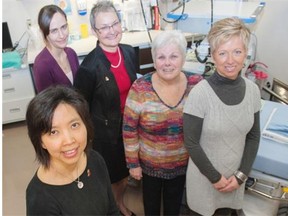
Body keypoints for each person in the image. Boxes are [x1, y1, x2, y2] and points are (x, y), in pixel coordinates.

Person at [183, 17, 261, 216]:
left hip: (235, 181)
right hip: (205, 182)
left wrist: (240, 176)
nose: (230, 60)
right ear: (213, 55)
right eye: (222, 53)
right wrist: (215, 178)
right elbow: (191, 142)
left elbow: (253, 137)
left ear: (245, 53)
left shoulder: (252, 91)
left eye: (237, 52)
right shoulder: (200, 93)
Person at [123, 30, 202, 216]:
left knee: (173, 207)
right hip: (150, 166)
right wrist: (133, 164)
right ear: (154, 59)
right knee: (150, 208)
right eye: (161, 57)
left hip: (182, 164)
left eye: (174, 56)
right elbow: (129, 129)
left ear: (183, 58)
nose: (167, 63)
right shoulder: (141, 88)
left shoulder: (197, 85)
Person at [73, 1, 137, 215]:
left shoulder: (129, 53)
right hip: (106, 135)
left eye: (114, 24)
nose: (111, 31)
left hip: (129, 128)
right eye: (104, 27)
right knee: (113, 175)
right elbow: (80, 108)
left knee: (126, 172)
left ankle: (120, 202)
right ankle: (115, 207)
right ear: (94, 31)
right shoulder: (89, 68)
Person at [25, 85, 120, 215]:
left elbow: (112, 211)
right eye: (54, 132)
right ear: (41, 141)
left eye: (74, 125)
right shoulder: (39, 198)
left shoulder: (94, 159)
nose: (69, 140)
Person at [33, 5, 79, 93]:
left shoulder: (71, 53)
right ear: (44, 33)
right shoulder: (42, 65)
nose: (62, 35)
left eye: (64, 27)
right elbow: (48, 104)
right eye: (54, 31)